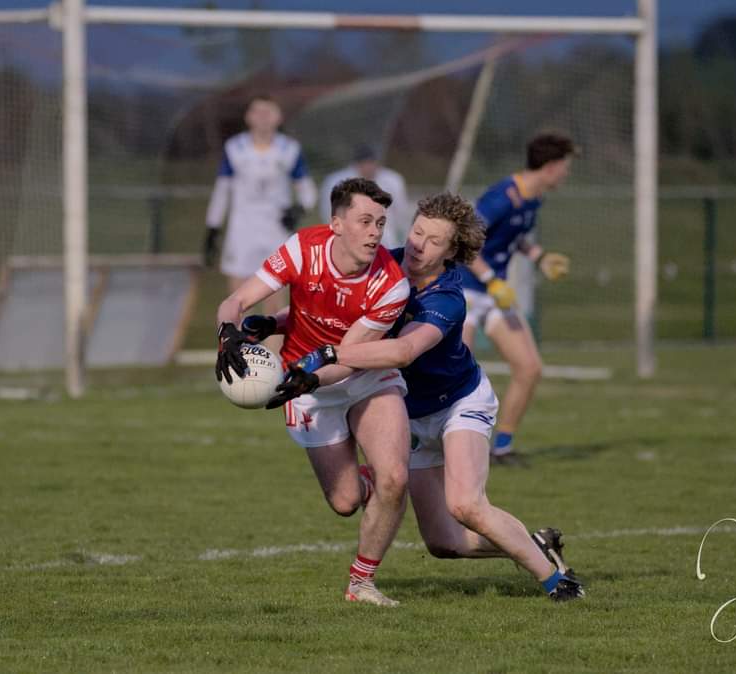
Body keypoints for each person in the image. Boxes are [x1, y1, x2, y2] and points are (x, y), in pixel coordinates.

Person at [276, 192, 584, 602]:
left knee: (466, 506)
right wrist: (275, 321)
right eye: (418, 231)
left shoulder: (447, 297)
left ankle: (555, 581)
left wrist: (331, 354)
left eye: (435, 240)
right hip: (412, 414)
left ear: (453, 251)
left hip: (459, 403)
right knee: (443, 542)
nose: (420, 244)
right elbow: (332, 306)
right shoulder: (383, 264)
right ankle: (535, 543)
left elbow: (402, 351)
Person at [215, 178, 411, 607]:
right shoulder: (303, 248)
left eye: (380, 222)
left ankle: (361, 584)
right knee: (344, 503)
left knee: (394, 477)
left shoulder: (391, 284)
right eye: (365, 221)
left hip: (362, 376)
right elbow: (236, 301)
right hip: (306, 390)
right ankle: (371, 485)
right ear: (336, 224)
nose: (376, 232)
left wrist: (310, 374)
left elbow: (352, 355)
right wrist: (227, 336)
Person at [461, 133, 575, 465]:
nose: (566, 174)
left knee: (529, 367)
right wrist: (491, 280)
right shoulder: (501, 197)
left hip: (495, 294)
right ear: (551, 167)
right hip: (465, 291)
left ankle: (503, 447)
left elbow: (515, 237)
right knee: (456, 375)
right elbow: (466, 244)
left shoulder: (534, 198)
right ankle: (439, 449)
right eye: (565, 167)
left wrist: (539, 257)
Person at [204, 95, 318, 352]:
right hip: (241, 230)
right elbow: (223, 190)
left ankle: (274, 365)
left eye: (269, 111)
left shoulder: (289, 149)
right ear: (249, 117)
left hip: (274, 230)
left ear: (278, 117)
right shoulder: (235, 148)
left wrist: (298, 208)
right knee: (238, 299)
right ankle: (235, 359)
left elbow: (307, 190)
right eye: (258, 111)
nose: (263, 116)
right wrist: (212, 229)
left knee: (274, 302)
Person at [319, 144, 410, 250]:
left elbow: (401, 212)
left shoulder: (393, 180)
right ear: (356, 164)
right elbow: (328, 213)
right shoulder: (336, 181)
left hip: (386, 235)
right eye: (365, 163)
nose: (368, 167)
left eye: (371, 163)